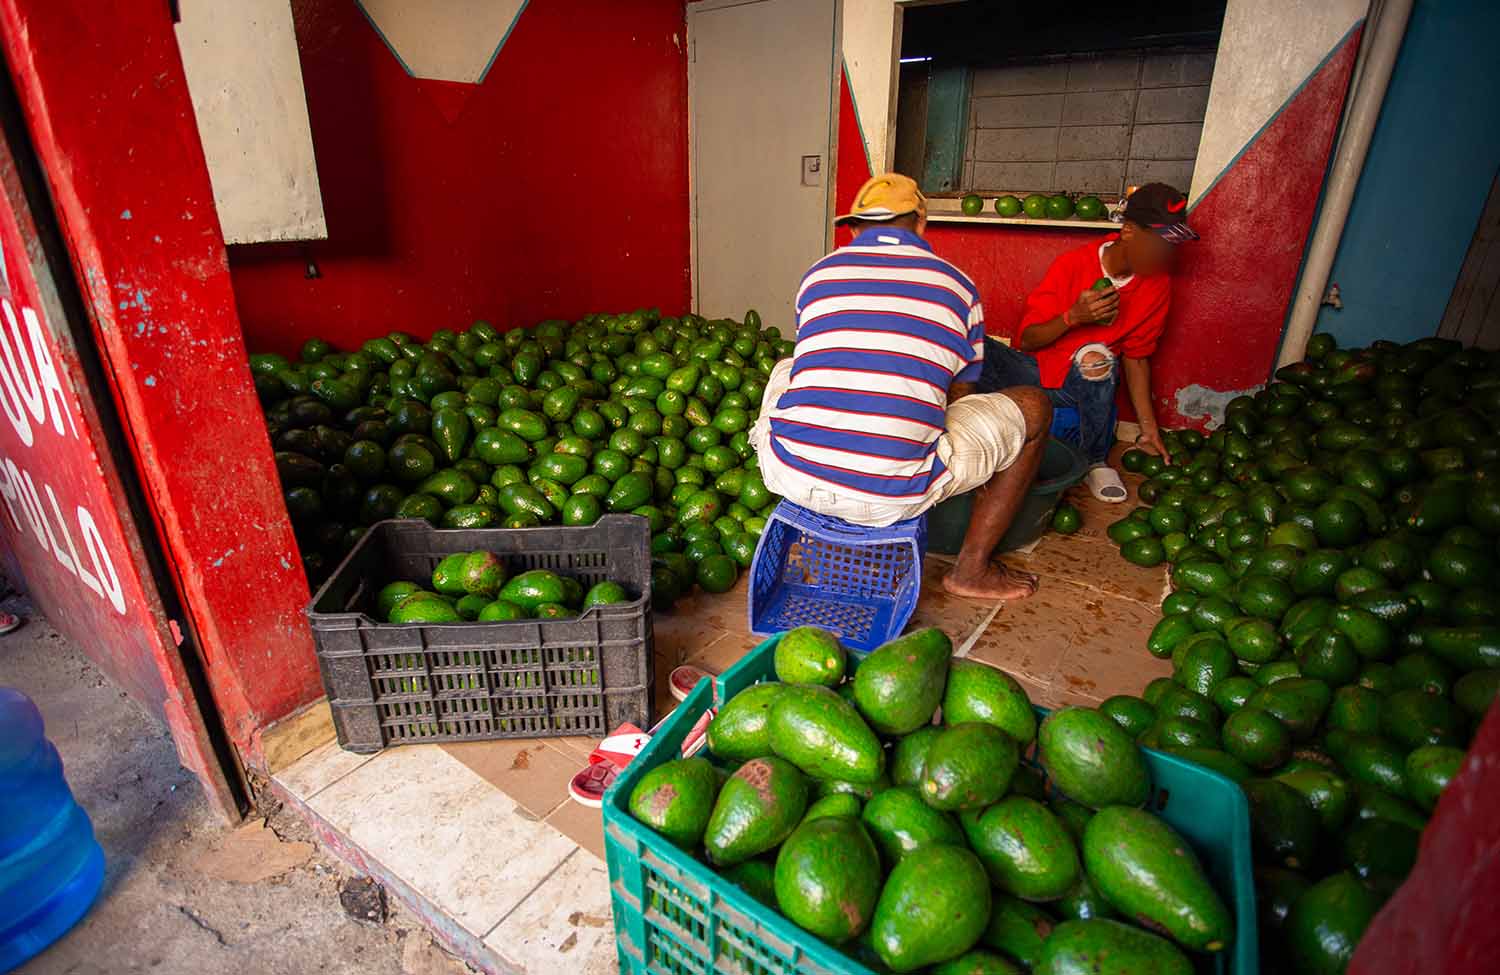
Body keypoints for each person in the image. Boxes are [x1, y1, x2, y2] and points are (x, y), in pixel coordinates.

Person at [750, 173, 1052, 601]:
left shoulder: (817, 276)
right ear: (922, 224)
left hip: (788, 473)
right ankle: (971, 571)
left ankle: (826, 485)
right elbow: (959, 395)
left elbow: (820, 360)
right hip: (892, 495)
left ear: (854, 229)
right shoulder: (957, 287)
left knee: (789, 365)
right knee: (1035, 406)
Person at [977, 182, 1197, 502]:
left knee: (1097, 356)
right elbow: (1026, 340)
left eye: (1172, 246)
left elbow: (1137, 358)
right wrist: (1073, 317)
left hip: (1086, 386)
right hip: (1035, 372)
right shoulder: (1074, 265)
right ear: (1130, 232)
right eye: (1160, 244)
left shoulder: (1157, 287)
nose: (1166, 255)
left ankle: (1095, 461)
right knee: (970, 344)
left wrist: (1148, 429)